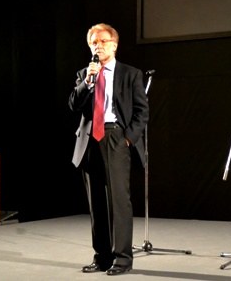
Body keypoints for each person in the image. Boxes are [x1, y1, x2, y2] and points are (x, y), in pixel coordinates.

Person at [68, 23, 149, 276]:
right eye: (93, 42)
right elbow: (74, 104)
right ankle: (101, 257)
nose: (98, 46)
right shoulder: (85, 73)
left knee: (118, 202)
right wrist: (88, 83)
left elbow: (142, 111)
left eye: (103, 41)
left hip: (116, 137)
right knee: (97, 205)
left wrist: (128, 139)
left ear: (114, 45)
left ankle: (122, 259)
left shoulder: (130, 74)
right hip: (90, 139)